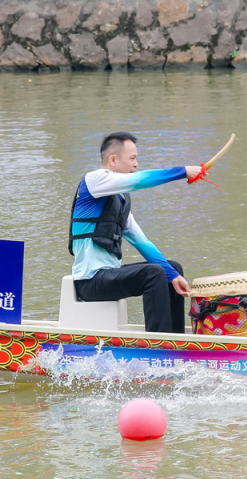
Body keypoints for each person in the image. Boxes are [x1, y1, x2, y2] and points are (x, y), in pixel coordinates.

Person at [69, 133, 201, 335]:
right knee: (154, 273)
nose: (136, 164)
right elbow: (141, 180)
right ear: (113, 159)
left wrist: (173, 275)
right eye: (132, 158)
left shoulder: (119, 201)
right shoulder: (93, 180)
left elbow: (143, 243)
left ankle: (175, 339)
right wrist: (182, 171)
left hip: (108, 274)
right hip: (89, 281)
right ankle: (158, 344)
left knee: (171, 269)